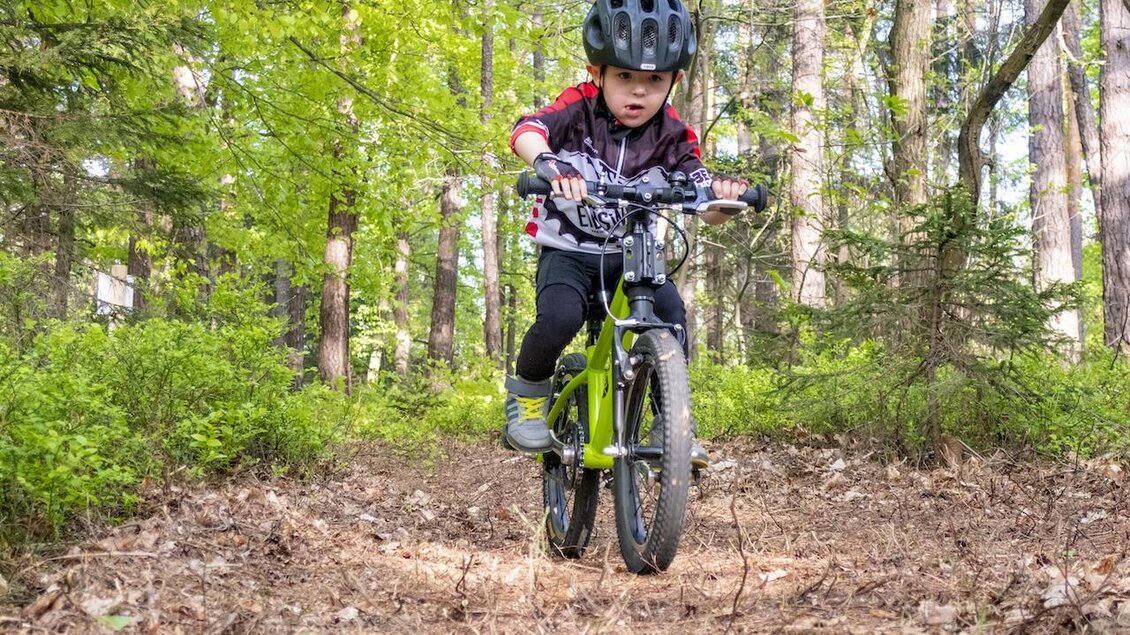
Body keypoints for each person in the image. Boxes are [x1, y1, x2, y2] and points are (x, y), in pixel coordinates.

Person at [504, 0, 749, 467]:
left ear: (674, 81)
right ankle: (528, 397)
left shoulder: (674, 133)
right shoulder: (577, 107)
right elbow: (527, 130)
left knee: (672, 319)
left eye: (654, 80)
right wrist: (548, 163)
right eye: (624, 78)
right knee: (559, 319)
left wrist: (725, 200)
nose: (638, 92)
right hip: (568, 251)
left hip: (633, 253)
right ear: (598, 72)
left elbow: (703, 198)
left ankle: (670, 424)